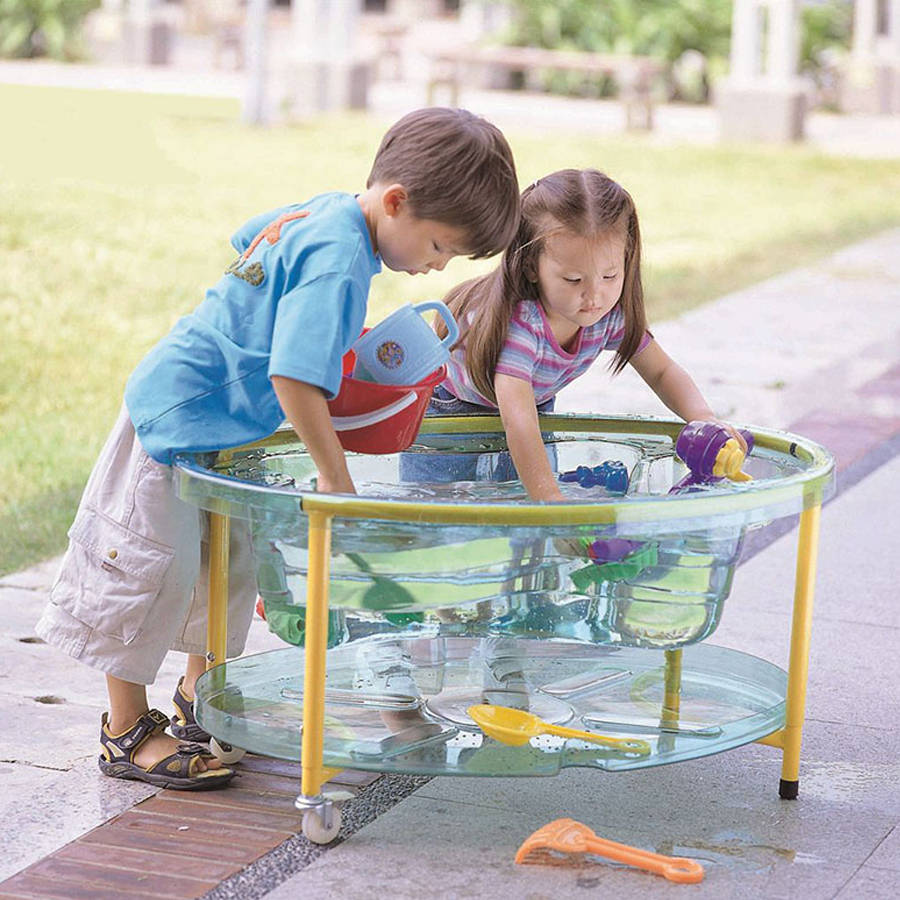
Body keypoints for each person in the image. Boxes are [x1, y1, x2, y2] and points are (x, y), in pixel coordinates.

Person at [35, 107, 521, 790]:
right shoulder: (343, 260)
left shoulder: (329, 215)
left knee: (227, 570)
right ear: (396, 202)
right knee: (152, 577)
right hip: (171, 424)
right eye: (441, 246)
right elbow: (293, 374)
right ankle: (124, 731)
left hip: (221, 430)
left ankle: (201, 705)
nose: (437, 265)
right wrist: (334, 475)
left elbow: (248, 240)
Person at [426, 167, 746, 501]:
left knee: (518, 499)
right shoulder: (521, 327)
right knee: (436, 501)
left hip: (531, 403)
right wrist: (550, 499)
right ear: (531, 267)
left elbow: (662, 371)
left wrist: (704, 418)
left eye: (609, 276)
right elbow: (518, 423)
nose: (594, 297)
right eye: (573, 280)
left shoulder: (609, 317)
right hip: (452, 406)